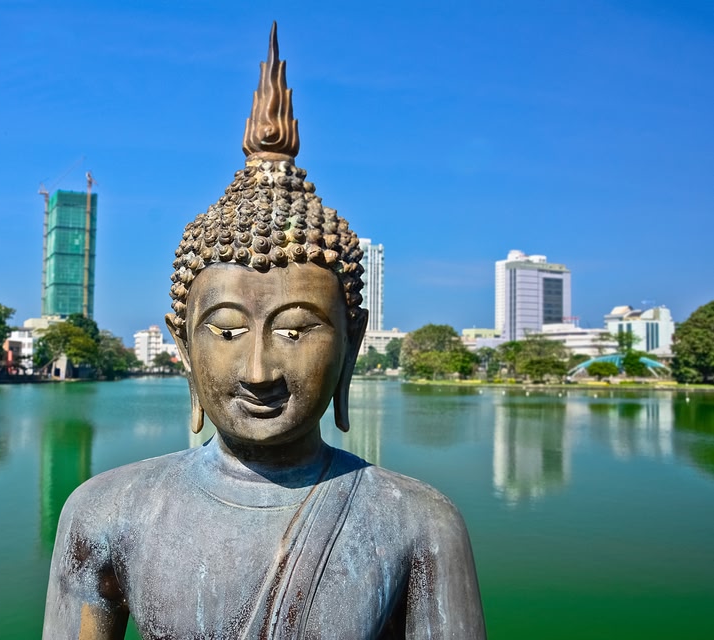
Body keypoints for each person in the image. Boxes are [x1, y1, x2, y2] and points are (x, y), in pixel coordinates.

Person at [43, 23, 486, 639]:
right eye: (225, 332)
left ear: (351, 345)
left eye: (297, 331)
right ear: (183, 347)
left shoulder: (417, 524)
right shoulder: (105, 514)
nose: (259, 370)